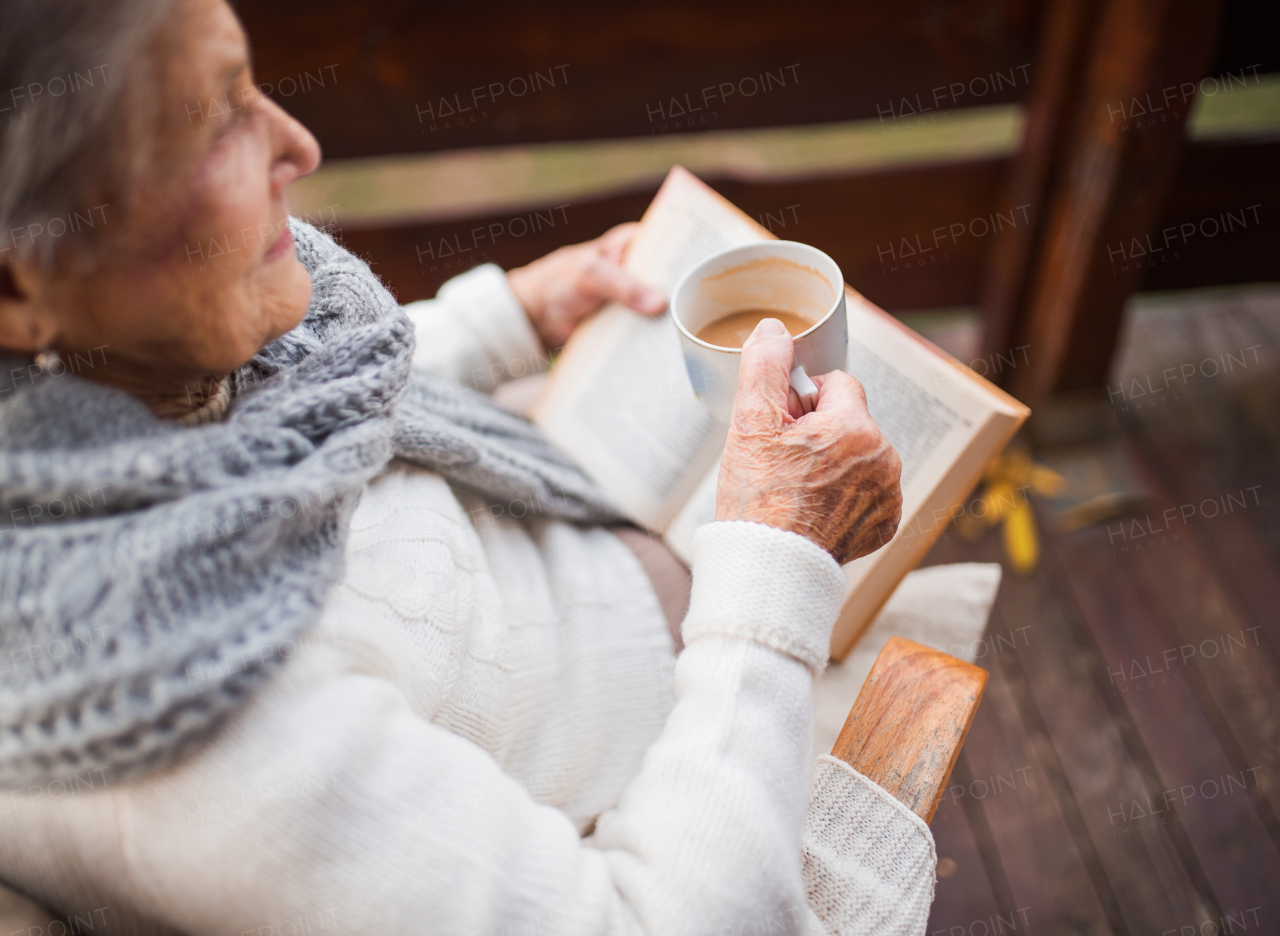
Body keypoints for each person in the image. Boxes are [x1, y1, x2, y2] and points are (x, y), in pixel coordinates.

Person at [0, 1, 930, 934]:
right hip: (709, 751)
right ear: (15, 287)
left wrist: (509, 322)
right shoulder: (182, 728)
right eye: (209, 126)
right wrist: (775, 565)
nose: (299, 146)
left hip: (601, 564)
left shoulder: (121, 381)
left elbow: (270, 417)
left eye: (251, 85)